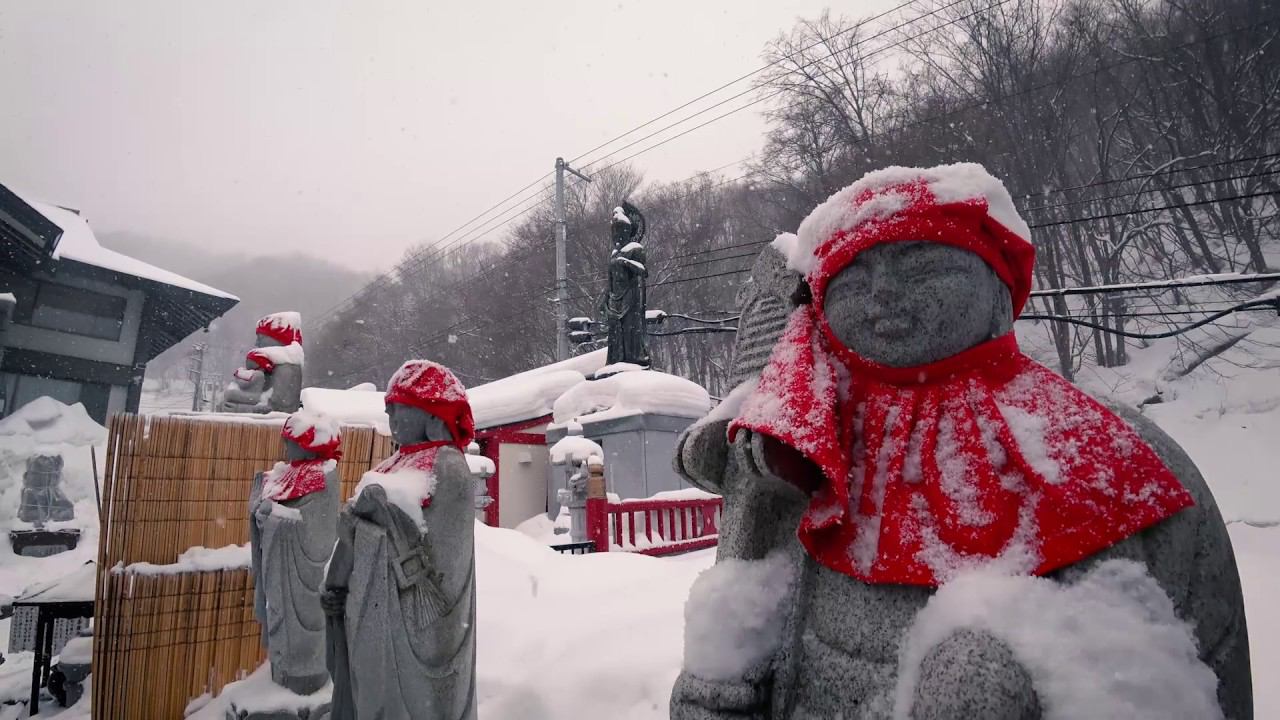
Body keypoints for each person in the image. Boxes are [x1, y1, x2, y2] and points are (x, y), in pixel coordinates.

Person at [670, 164, 1251, 719]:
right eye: (855, 278)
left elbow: (1206, 673)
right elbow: (755, 630)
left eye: (923, 268)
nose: (883, 295)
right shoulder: (804, 451)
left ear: (997, 289)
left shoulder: (1117, 450)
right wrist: (718, 686)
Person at [323, 360, 477, 720]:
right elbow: (356, 525)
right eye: (389, 409)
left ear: (432, 414)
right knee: (371, 693)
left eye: (400, 408)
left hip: (418, 623)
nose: (391, 418)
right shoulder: (392, 463)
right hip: (372, 611)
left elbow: (442, 560)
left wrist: (374, 520)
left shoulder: (448, 466)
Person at [249, 409, 342, 694]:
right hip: (280, 575)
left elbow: (314, 533)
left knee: (306, 634)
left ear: (308, 445)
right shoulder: (284, 474)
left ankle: (304, 679)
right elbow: (274, 510)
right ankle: (283, 674)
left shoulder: (324, 476)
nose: (286, 447)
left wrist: (271, 517)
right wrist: (260, 508)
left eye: (291, 442)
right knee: (281, 624)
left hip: (304, 576)